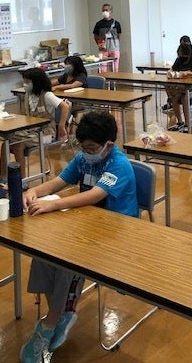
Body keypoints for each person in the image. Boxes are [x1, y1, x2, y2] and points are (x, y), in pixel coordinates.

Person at [19, 111, 138, 363]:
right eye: (83, 148)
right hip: (87, 226)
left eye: (91, 148)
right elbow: (59, 181)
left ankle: (49, 323)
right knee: (43, 252)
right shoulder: (84, 158)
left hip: (119, 232)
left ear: (109, 145)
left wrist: (52, 204)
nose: (86, 153)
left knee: (67, 260)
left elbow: (95, 195)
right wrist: (34, 191)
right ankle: (60, 316)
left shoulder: (119, 164)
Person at [0, 68, 70, 186]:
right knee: (6, 143)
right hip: (30, 131)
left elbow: (65, 107)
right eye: (24, 81)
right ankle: (3, 177)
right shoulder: (28, 95)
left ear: (37, 82)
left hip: (46, 133)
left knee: (19, 144)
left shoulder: (47, 95)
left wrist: (61, 126)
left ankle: (21, 181)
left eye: (28, 81)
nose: (25, 84)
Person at [165, 42, 192, 131]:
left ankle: (187, 123)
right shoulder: (178, 60)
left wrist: (188, 73)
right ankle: (180, 122)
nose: (180, 55)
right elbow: (171, 69)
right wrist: (170, 72)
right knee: (175, 99)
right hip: (181, 88)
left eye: (181, 53)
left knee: (184, 98)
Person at [92, 4, 121, 72]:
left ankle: (114, 79)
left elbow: (119, 35)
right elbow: (95, 36)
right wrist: (100, 45)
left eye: (106, 10)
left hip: (114, 49)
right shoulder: (99, 24)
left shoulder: (116, 23)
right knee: (102, 69)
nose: (105, 12)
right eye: (103, 10)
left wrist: (115, 44)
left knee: (115, 69)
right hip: (103, 50)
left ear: (111, 11)